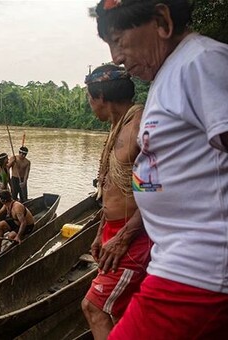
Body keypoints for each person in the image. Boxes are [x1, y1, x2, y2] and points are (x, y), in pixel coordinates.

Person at [95, 1, 228, 339]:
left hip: (199, 268)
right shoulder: (165, 77)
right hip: (172, 259)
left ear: (162, 21)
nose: (115, 56)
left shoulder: (201, 62)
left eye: (119, 39)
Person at [80, 64, 152, 340]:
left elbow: (155, 195)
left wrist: (122, 238)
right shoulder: (116, 129)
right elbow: (111, 190)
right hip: (114, 232)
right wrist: (100, 233)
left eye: (89, 99)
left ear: (100, 97)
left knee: (93, 307)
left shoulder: (140, 129)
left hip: (133, 235)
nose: (90, 106)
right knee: (121, 311)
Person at [0, 190, 35, 255]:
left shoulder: (17, 207)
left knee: (10, 236)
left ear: (3, 200)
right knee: (0, 224)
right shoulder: (7, 204)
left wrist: (18, 236)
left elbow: (23, 223)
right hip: (17, 223)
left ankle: (20, 247)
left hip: (27, 226)